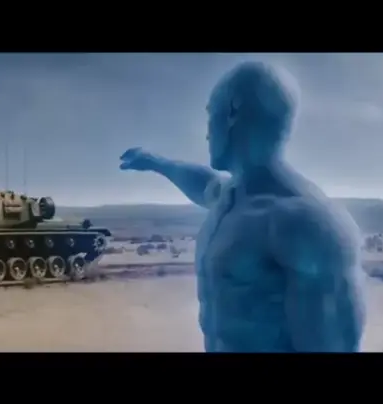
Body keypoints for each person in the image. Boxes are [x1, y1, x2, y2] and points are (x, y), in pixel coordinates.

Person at [119, 61, 366, 352]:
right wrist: (155, 162)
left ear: (232, 113)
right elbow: (202, 182)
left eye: (210, 114)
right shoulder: (230, 197)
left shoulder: (308, 225)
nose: (207, 133)